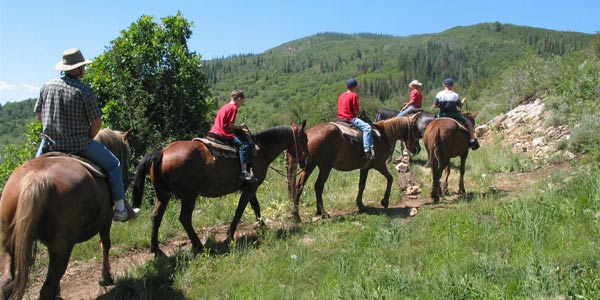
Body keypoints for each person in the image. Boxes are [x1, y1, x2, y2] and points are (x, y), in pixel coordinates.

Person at [34, 48, 139, 222]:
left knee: (28, 170)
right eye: (82, 66)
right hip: (79, 144)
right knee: (114, 164)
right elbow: (96, 123)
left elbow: (39, 116)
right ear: (79, 69)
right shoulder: (84, 90)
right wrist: (87, 138)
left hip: (48, 144)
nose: (84, 69)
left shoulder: (46, 86)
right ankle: (120, 209)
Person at [208, 89, 258, 181]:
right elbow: (230, 125)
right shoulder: (234, 108)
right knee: (244, 146)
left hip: (214, 130)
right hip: (224, 132)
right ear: (239, 98)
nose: (241, 103)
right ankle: (243, 172)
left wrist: (238, 127)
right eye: (242, 101)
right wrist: (240, 128)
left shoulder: (225, 106)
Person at [432, 78, 480, 150]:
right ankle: (472, 141)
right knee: (469, 123)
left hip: (442, 114)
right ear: (452, 86)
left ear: (444, 85)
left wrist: (442, 106)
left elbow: (434, 106)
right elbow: (460, 106)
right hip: (454, 115)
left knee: (432, 125)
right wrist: (463, 101)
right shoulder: (455, 95)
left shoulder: (439, 94)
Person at [337, 78, 374, 159]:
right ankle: (367, 150)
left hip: (340, 119)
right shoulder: (354, 95)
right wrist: (361, 113)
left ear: (346, 86)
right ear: (355, 86)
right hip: (350, 118)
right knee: (367, 128)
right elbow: (355, 111)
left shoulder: (341, 95)